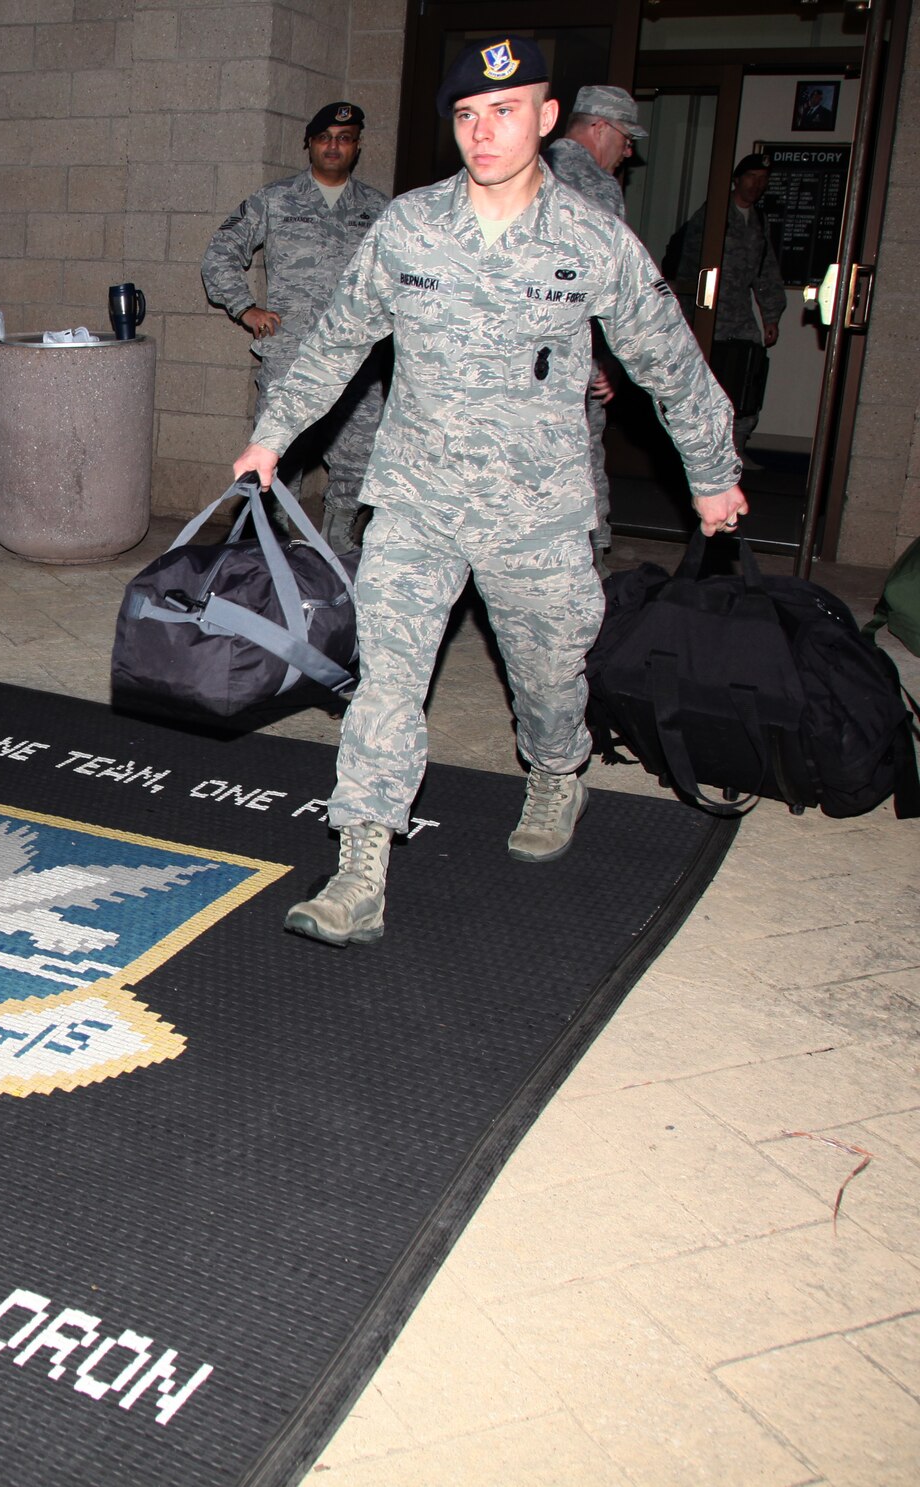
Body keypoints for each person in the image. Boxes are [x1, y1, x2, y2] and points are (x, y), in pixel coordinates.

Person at [228, 35, 750, 947]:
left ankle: (555, 770)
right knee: (385, 681)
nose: (483, 131)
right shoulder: (411, 227)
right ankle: (359, 868)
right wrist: (272, 436)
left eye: (504, 112)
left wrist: (713, 474)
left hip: (535, 511)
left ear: (546, 119)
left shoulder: (592, 239)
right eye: (468, 115)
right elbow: (338, 340)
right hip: (416, 499)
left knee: (550, 677)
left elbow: (668, 359)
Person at [201, 101, 391, 553]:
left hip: (358, 361)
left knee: (359, 455)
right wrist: (245, 308)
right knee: (277, 454)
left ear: (357, 146)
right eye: (324, 138)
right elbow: (220, 254)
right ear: (309, 143)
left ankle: (339, 536)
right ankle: (275, 543)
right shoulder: (275, 199)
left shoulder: (380, 210)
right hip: (291, 355)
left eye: (344, 139)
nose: (333, 146)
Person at [544, 84, 647, 571]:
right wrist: (604, 360)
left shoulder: (528, 170)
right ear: (600, 127)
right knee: (579, 469)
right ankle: (589, 572)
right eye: (626, 139)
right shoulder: (595, 186)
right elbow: (605, 285)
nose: (628, 152)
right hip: (569, 360)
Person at [672, 155, 787, 455]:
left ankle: (736, 449)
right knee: (708, 383)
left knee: (748, 377)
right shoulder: (714, 215)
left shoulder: (758, 221)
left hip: (739, 316)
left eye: (763, 179)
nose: (756, 185)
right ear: (736, 180)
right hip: (708, 313)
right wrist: (687, 318)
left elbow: (766, 271)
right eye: (751, 177)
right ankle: (701, 451)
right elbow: (688, 266)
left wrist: (771, 316)